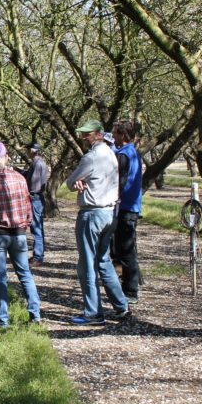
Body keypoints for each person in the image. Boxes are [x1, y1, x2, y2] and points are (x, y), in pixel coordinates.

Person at [64, 120, 130, 325]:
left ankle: (93, 313)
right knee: (103, 261)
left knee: (86, 265)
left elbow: (68, 182)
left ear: (99, 134)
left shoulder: (91, 157)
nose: (84, 138)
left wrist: (77, 183)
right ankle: (121, 307)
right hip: (109, 213)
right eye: (83, 134)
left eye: (88, 134)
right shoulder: (111, 154)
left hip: (91, 214)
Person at [0, 142, 42, 326]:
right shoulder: (20, 178)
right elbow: (28, 206)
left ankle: (2, 319)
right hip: (18, 233)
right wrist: (25, 224)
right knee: (25, 274)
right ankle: (35, 314)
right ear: (6, 156)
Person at [112, 120, 143, 303]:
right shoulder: (133, 153)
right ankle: (132, 282)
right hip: (131, 206)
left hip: (125, 208)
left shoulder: (124, 155)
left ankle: (130, 291)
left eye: (116, 133)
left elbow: (120, 182)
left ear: (123, 135)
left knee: (126, 250)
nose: (113, 136)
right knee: (128, 247)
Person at [24, 141, 49, 265]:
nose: (27, 152)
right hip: (38, 198)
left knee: (36, 229)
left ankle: (38, 257)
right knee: (38, 228)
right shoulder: (39, 163)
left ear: (32, 150)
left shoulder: (37, 163)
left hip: (35, 198)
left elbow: (32, 184)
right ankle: (38, 255)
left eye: (28, 150)